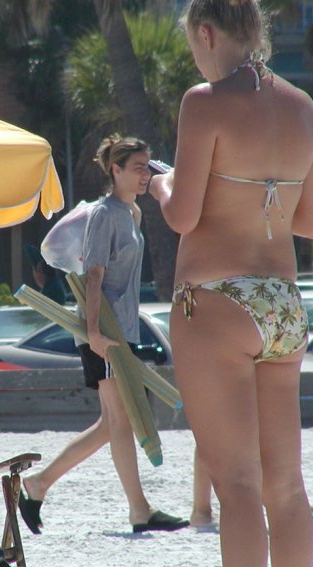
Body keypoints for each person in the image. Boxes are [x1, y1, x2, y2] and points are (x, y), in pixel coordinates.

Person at [150, 0, 313, 567]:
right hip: (283, 302)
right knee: (287, 488)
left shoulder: (205, 102)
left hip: (218, 300)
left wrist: (159, 181)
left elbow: (183, 215)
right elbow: (309, 222)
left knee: (239, 486)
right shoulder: (304, 107)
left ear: (205, 32)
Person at [18, 134, 189, 535]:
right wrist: (94, 332)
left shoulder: (132, 215)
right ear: (115, 170)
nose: (145, 175)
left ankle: (40, 484)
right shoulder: (104, 214)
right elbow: (93, 276)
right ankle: (138, 509)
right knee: (120, 419)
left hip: (122, 327)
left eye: (148, 167)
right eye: (137, 168)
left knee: (114, 422)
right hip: (105, 330)